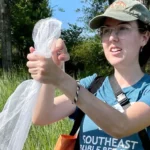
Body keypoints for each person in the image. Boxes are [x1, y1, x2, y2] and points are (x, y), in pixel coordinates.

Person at [27, 0, 150, 149]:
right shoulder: (92, 86)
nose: (112, 37)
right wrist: (53, 71)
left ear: (144, 37)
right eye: (106, 30)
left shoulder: (147, 90)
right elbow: (42, 116)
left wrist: (60, 78)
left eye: (123, 28)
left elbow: (121, 126)